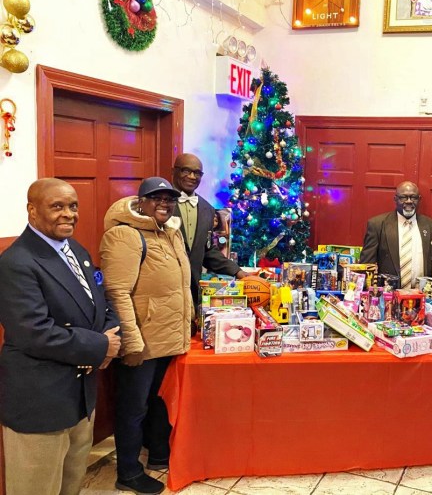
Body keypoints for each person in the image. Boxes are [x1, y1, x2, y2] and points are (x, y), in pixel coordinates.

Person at [0, 178, 121, 495]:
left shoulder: (76, 250)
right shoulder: (16, 263)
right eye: (57, 206)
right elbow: (34, 333)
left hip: (80, 398)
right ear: (32, 210)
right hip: (41, 403)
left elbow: (101, 300)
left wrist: (112, 329)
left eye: (73, 206)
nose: (69, 214)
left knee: (71, 485)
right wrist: (102, 345)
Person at [100, 177, 193, 494]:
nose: (164, 203)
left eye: (169, 199)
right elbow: (117, 293)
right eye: (157, 198)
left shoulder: (171, 232)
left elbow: (180, 286)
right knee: (133, 407)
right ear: (140, 202)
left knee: (159, 401)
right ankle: (127, 471)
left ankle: (157, 456)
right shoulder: (124, 235)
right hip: (142, 341)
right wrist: (132, 341)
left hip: (169, 337)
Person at [171, 153, 248, 308]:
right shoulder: (161, 204)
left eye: (197, 173)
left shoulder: (207, 209)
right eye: (186, 170)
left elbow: (206, 250)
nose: (192, 177)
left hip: (191, 292)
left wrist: (238, 272)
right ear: (174, 171)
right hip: (163, 289)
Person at [359, 181, 432, 288]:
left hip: (422, 295)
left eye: (413, 197)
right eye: (403, 197)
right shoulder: (377, 225)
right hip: (388, 295)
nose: (409, 201)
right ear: (395, 199)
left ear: (419, 199)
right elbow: (366, 266)